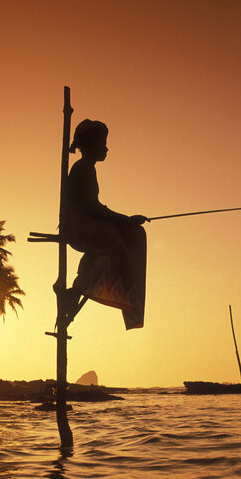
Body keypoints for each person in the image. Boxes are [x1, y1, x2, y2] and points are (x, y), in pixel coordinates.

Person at [63, 119, 148, 329]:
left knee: (115, 243)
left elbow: (95, 208)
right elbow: (94, 207)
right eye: (103, 143)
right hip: (80, 226)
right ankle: (80, 290)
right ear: (91, 145)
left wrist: (125, 221)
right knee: (118, 250)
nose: (106, 148)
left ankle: (77, 289)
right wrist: (125, 219)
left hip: (83, 224)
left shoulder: (85, 168)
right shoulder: (83, 168)